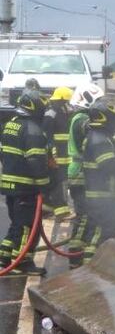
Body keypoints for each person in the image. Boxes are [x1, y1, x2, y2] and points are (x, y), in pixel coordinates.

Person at [0, 92, 50, 274]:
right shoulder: (33, 130)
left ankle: (5, 256)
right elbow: (36, 160)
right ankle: (22, 262)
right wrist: (44, 184)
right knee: (29, 226)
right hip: (27, 186)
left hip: (9, 184)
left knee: (17, 223)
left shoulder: (9, 124)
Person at [78, 101, 115, 263]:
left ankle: (95, 266)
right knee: (101, 232)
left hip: (103, 193)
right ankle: (90, 268)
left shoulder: (100, 137)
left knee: (109, 229)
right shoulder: (99, 139)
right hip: (102, 195)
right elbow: (110, 166)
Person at [66, 83, 105, 266]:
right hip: (80, 172)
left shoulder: (79, 117)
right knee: (84, 215)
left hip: (80, 171)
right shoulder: (82, 119)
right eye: (98, 101)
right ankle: (75, 255)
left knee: (87, 214)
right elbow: (95, 135)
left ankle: (78, 254)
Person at [42, 87, 75, 220]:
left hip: (64, 155)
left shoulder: (62, 111)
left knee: (57, 182)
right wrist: (51, 156)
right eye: (67, 101)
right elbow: (47, 137)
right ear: (62, 100)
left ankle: (47, 208)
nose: (69, 104)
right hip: (57, 156)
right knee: (59, 183)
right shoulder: (51, 114)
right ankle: (62, 212)